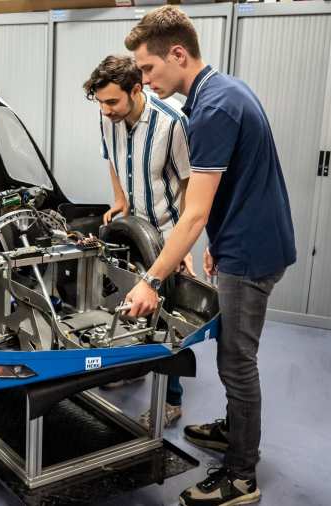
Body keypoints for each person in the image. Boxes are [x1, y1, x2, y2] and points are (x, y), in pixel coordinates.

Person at [122, 7, 296, 506]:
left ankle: (241, 476)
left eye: (149, 68)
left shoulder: (212, 109)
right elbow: (237, 184)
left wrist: (151, 280)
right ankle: (234, 429)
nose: (144, 79)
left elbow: (193, 215)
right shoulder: (225, 90)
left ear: (178, 54)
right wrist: (218, 243)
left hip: (252, 251)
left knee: (237, 361)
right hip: (250, 239)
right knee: (235, 354)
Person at [83, 54, 193, 427]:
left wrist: (183, 247)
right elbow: (112, 159)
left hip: (165, 234)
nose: (105, 109)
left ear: (136, 89)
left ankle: (171, 400)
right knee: (128, 304)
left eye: (112, 101)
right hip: (132, 230)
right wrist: (119, 200)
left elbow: (191, 188)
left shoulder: (171, 123)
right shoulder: (106, 117)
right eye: (100, 102)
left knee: (169, 318)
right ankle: (134, 368)